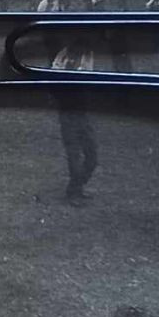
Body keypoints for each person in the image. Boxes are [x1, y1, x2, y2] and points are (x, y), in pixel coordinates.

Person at [52, 39, 98, 205]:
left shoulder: (87, 56)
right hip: (68, 114)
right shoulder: (61, 60)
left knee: (92, 156)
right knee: (74, 154)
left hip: (82, 113)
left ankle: (75, 187)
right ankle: (74, 192)